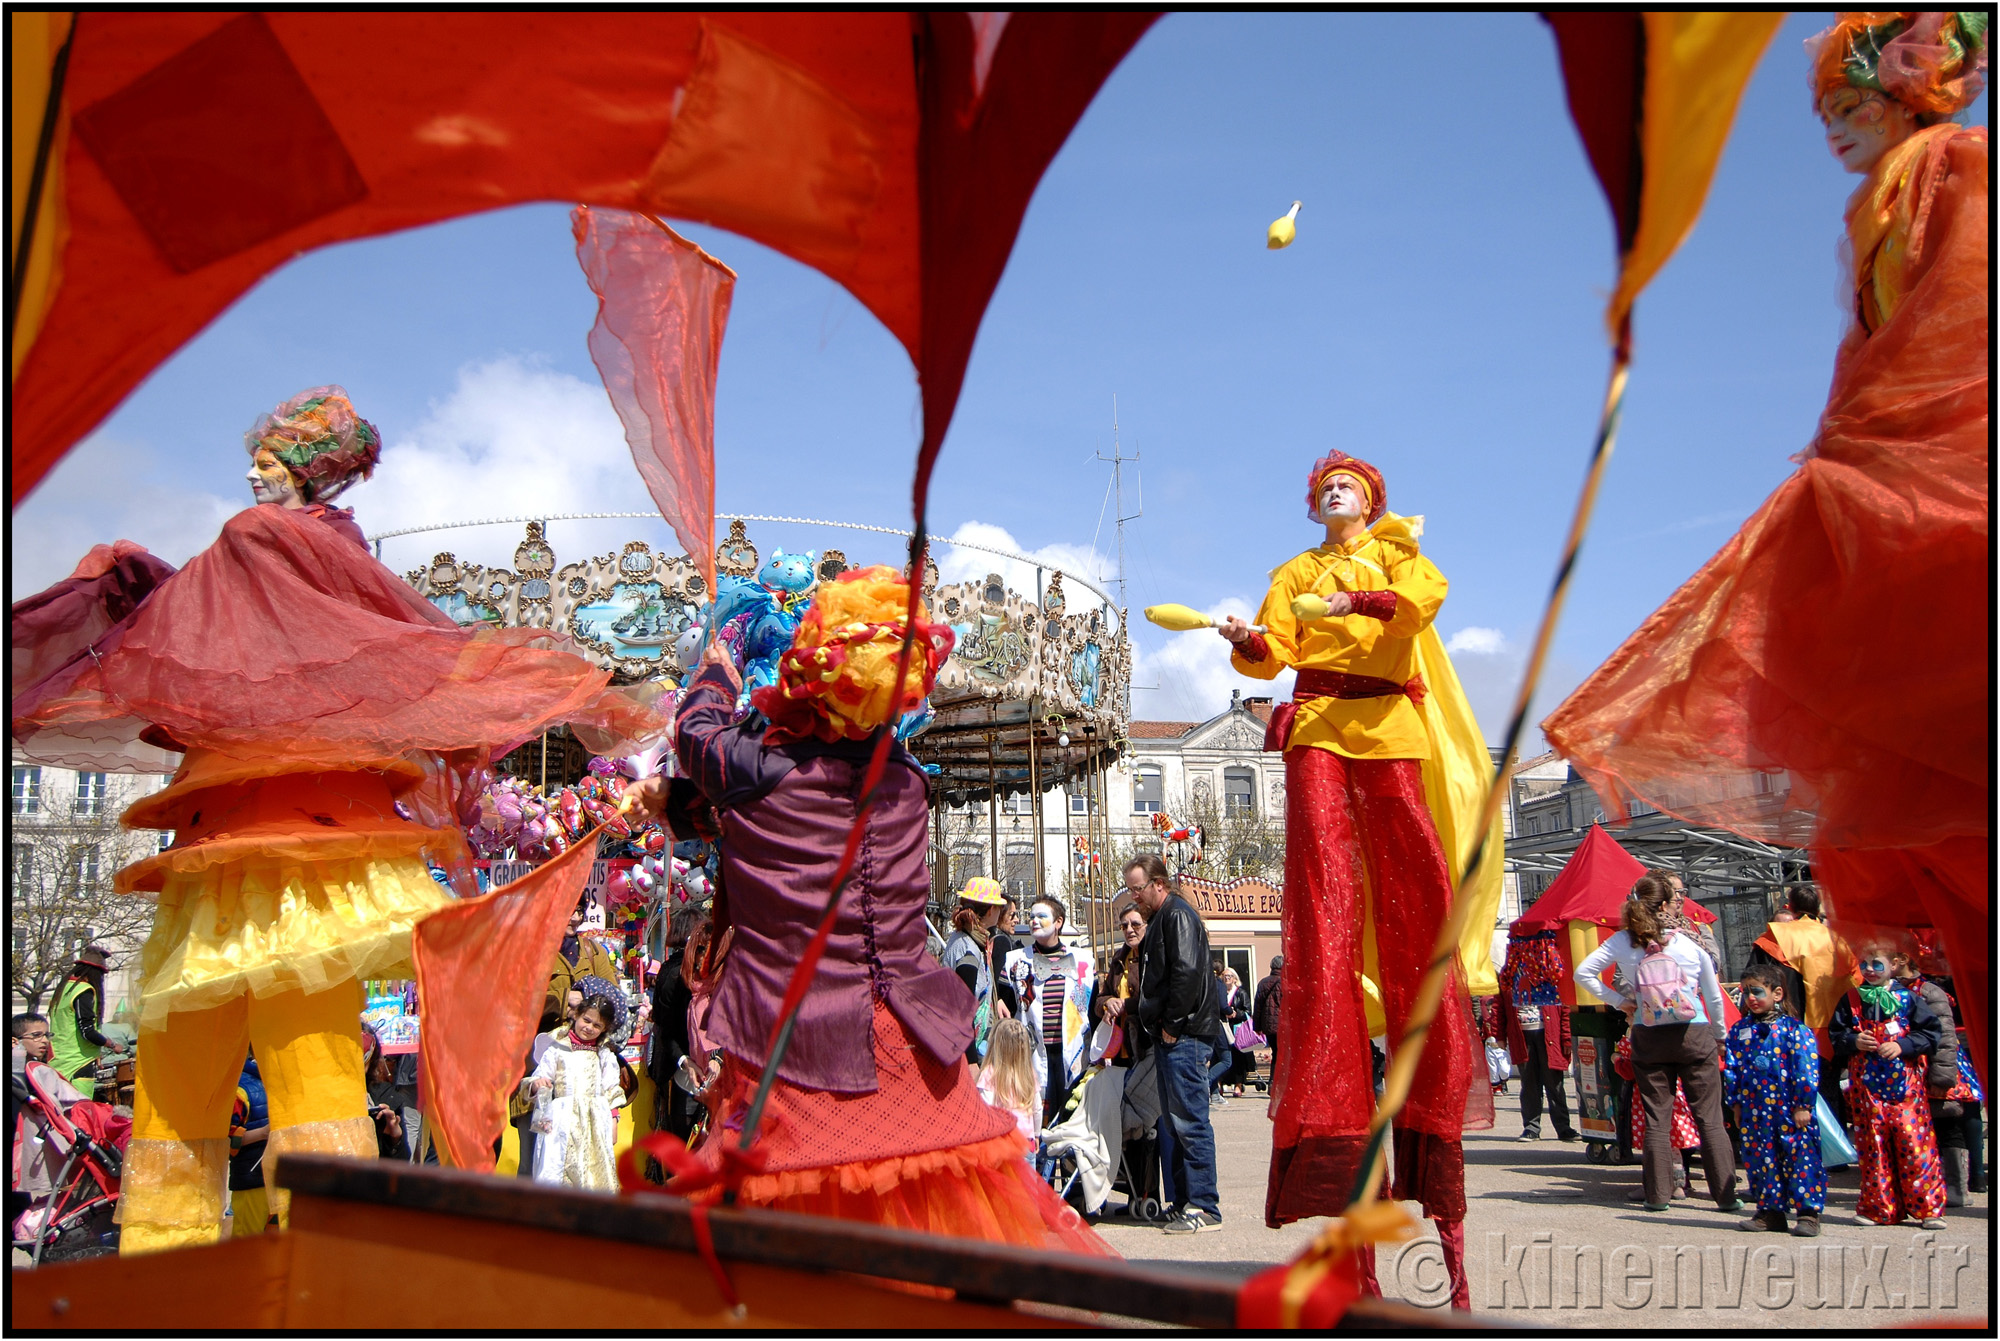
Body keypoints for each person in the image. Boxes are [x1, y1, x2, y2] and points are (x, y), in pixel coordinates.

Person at [10, 386, 637, 1254]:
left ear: (303, 469)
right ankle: (323, 1268)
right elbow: (405, 631)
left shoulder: (254, 539)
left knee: (186, 1072)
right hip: (298, 850)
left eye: (266, 462)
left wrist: (130, 582)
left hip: (238, 842)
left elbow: (180, 619)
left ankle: (165, 1263)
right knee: (310, 1065)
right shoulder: (333, 554)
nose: (250, 475)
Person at [1543, 11, 1991, 1083]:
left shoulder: (1954, 165)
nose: (1833, 132)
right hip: (1887, 476)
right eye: (1826, 113)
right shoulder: (1875, 199)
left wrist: (1869, 454)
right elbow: (1868, 349)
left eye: (1848, 107)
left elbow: (1956, 326)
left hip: (1940, 482)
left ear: (1906, 90)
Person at [624, 566, 1111, 1255]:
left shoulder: (758, 764)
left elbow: (701, 737)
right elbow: (811, 825)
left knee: (792, 1232)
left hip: (798, 1040)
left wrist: (714, 672)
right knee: (918, 1216)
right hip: (905, 1037)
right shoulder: (908, 783)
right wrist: (685, 805)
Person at [1220, 449, 1494, 1307]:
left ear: (1371, 500)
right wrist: (1246, 640)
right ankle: (1354, 1228)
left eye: (1351, 486)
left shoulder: (1398, 551)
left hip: (1389, 727)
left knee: (1416, 902)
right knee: (1325, 908)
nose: (1335, 493)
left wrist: (1354, 598)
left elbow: (1422, 603)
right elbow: (1275, 654)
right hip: (1318, 732)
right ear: (1313, 507)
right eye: (1325, 488)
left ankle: (1445, 1224)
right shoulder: (1291, 569)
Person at [1575, 877, 1740, 1213]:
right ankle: (1725, 1195)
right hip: (1693, 1034)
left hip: (1648, 1035)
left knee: (1657, 1119)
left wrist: (1620, 1001)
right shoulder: (1688, 943)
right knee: (1709, 1117)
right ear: (1666, 905)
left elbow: (1583, 972)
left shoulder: (1623, 941)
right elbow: (1713, 995)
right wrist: (1720, 1036)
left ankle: (1657, 1195)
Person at [1124, 855, 1222, 1235]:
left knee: (1190, 1121)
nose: (1135, 896)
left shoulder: (1178, 915)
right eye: (1131, 889)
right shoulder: (1165, 918)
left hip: (1185, 1036)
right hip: (1173, 1035)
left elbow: (1187, 972)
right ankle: (1183, 1201)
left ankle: (1204, 1206)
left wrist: (1173, 1024)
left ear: (1158, 883)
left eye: (1138, 888)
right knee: (1174, 1122)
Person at [1830, 937, 1947, 1227]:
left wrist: (1904, 1045)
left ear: (1894, 965)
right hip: (1867, 1090)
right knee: (1873, 1146)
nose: (1869, 969)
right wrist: (1854, 1040)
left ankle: (1927, 1209)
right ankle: (1878, 1208)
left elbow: (1932, 1033)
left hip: (1906, 1090)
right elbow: (1836, 1036)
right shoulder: (1851, 999)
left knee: (1914, 1145)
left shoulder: (1909, 998)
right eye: (1864, 964)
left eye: (1876, 964)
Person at [1746, 885, 1861, 1124]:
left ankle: (1799, 1153)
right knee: (1829, 1092)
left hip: (1788, 1029)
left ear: (1791, 906)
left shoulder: (1775, 937)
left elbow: (1754, 979)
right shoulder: (1836, 939)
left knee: (1790, 1093)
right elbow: (1856, 982)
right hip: (1830, 1030)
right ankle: (1835, 1156)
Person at [1726, 964, 1825, 1236]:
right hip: (1754, 1109)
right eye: (1745, 992)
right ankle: (1770, 1212)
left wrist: (1804, 1104)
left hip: (1789, 1108)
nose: (1750, 998)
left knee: (1800, 1157)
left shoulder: (1794, 1029)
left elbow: (1806, 1067)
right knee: (1761, 1157)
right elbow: (1732, 1067)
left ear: (1777, 993)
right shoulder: (1739, 1031)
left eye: (1756, 991)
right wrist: (1735, 1103)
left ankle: (1808, 1214)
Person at [1003, 895, 1097, 1130]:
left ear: (1058, 922)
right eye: (1031, 916)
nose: (1034, 920)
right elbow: (1005, 1007)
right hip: (1031, 1057)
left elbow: (1092, 1010)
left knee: (1072, 1123)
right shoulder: (1015, 960)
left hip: (1074, 1056)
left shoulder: (1083, 960)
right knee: (1036, 1123)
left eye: (1041, 916)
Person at [528, 989, 627, 1190]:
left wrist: (613, 1118)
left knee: (592, 1168)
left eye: (597, 1025)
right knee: (557, 1167)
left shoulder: (604, 1054)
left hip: (594, 1120)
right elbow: (540, 1075)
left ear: (605, 1029)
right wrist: (538, 1084)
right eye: (586, 1020)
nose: (589, 1028)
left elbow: (611, 1089)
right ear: (576, 1015)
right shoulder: (557, 1048)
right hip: (562, 1119)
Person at [1488, 971, 1576, 1143]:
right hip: (1522, 1035)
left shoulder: (1550, 969)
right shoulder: (1509, 972)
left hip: (1548, 1033)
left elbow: (1565, 1005)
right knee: (1529, 1084)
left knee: (1555, 1083)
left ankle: (1564, 1127)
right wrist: (1498, 1035)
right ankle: (1531, 1127)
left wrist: (1566, 1036)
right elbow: (1498, 1006)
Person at [940, 876, 1008, 1063]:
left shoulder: (970, 941)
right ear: (991, 910)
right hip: (967, 1054)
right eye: (999, 907)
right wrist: (971, 1063)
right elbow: (963, 1011)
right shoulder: (968, 951)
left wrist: (995, 999)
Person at [49, 946, 128, 1099]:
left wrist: (96, 1054)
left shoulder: (63, 989)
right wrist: (112, 1045)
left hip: (58, 1059)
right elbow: (87, 1032)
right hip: (77, 1063)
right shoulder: (84, 990)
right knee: (78, 1111)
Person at [227, 1054, 273, 1235]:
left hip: (264, 1179)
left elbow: (227, 1142)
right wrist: (265, 1132)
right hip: (255, 1180)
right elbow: (229, 1140)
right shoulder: (244, 1087)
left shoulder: (266, 1082)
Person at [978, 1017, 1042, 1146]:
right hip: (1026, 1140)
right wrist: (1036, 1134)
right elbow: (1037, 1108)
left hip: (1000, 1141)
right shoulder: (1028, 1073)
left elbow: (985, 1109)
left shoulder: (989, 1073)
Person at [1251, 955, 1283, 1067]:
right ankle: (1277, 1079)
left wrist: (1257, 1026)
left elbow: (1258, 1006)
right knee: (1283, 1052)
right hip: (1282, 1024)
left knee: (1275, 1051)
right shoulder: (1285, 982)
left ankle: (1272, 1080)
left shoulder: (1263, 983)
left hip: (1268, 1024)